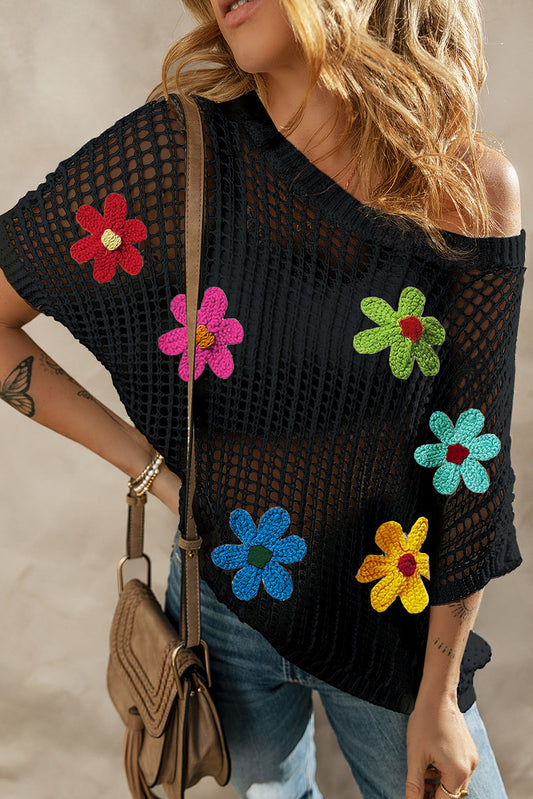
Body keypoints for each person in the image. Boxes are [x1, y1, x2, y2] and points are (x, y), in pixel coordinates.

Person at [0, 1, 525, 798]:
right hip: (219, 609)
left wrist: (438, 695)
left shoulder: (461, 188)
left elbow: (470, 462)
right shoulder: (175, 157)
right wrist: (152, 472)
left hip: (392, 632)